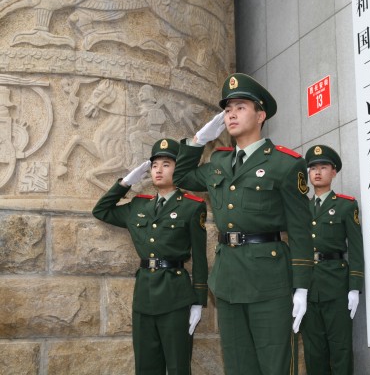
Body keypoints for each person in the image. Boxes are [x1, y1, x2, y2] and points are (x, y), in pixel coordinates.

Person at [172, 73, 313, 375]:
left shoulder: (285, 164)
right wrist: (198, 141)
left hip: (270, 281)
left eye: (240, 107)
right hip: (228, 280)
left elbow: (301, 229)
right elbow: (180, 177)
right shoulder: (218, 163)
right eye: (227, 109)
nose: (231, 114)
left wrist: (302, 286)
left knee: (275, 365)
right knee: (238, 366)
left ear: (261, 115)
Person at [93, 138, 208, 375]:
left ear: (178, 168)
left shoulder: (191, 206)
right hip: (144, 295)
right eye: (154, 165)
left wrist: (198, 301)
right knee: (145, 366)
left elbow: (199, 257)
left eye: (166, 164)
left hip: (175, 295)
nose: (158, 170)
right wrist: (125, 183)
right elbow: (101, 210)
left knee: (178, 366)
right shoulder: (138, 206)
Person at [301, 145, 364, 375]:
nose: (317, 172)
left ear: (334, 172)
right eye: (313, 168)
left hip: (337, 285)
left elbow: (356, 248)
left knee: (340, 350)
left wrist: (354, 287)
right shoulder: (301, 208)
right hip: (308, 287)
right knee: (313, 352)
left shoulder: (345, 205)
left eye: (323, 167)